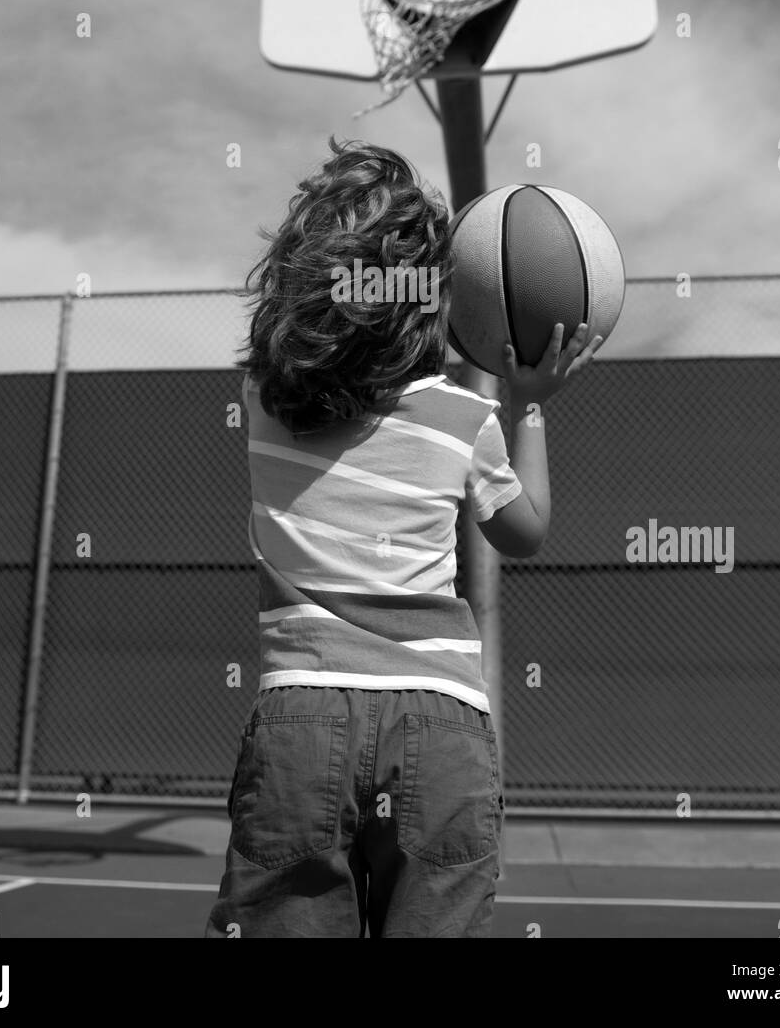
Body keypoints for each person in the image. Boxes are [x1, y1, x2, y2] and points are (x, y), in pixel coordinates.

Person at [205, 137, 600, 938]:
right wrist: (529, 403)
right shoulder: (464, 420)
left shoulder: (264, 401)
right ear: (434, 301)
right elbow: (525, 533)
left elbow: (314, 329)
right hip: (440, 725)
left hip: (300, 723)